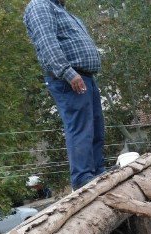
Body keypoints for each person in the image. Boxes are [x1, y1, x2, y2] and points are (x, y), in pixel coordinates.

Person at [24, 0, 105, 190]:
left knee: (95, 126)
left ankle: (96, 171)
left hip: (85, 77)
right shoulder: (40, 5)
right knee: (80, 127)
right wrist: (68, 73)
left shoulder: (63, 11)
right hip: (69, 78)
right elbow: (47, 43)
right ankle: (82, 177)